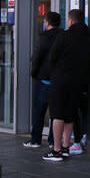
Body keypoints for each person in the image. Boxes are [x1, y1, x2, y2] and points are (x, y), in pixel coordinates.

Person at [43, 9, 90, 161]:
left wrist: (54, 75)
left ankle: (56, 149)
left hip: (61, 80)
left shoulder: (64, 36)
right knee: (70, 114)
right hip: (79, 82)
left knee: (57, 114)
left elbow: (52, 58)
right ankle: (66, 146)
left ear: (71, 21)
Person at [23, 11, 62, 149]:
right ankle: (52, 140)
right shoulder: (63, 36)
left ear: (48, 22)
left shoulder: (44, 37)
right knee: (55, 111)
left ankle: (36, 139)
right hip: (58, 79)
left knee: (39, 110)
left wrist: (34, 73)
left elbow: (37, 57)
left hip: (44, 78)